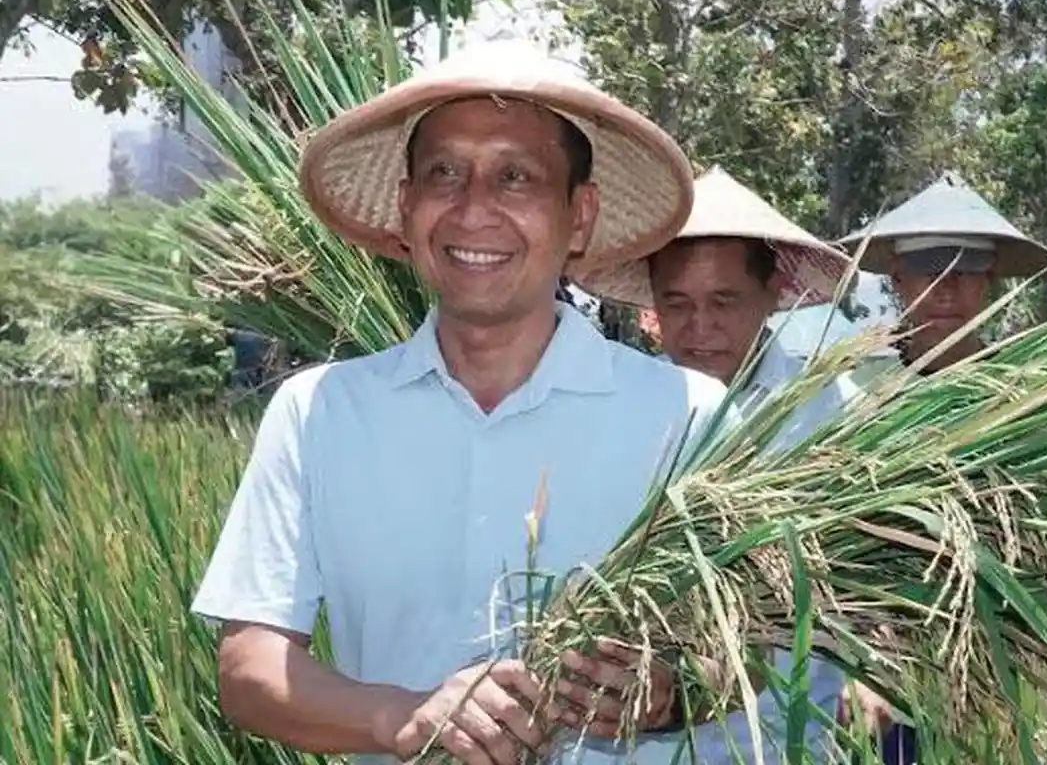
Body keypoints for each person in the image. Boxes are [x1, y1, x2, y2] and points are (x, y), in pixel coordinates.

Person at [190, 39, 742, 765]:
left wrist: (673, 691)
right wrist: (403, 715)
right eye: (444, 174)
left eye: (516, 177)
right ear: (406, 206)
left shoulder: (691, 418)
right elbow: (250, 669)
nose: (473, 209)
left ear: (579, 215)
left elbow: (766, 653)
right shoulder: (321, 411)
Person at [575, 166, 860, 762]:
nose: (699, 329)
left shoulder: (831, 417)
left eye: (724, 302)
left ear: (775, 290)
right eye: (676, 303)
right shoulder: (619, 410)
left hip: (777, 742)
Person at [835, 170, 1047, 764]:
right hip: (891, 671)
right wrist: (864, 665)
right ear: (898, 280)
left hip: (1007, 669)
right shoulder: (861, 398)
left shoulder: (1029, 398)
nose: (946, 289)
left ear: (988, 280)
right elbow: (840, 548)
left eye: (965, 271)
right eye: (929, 271)